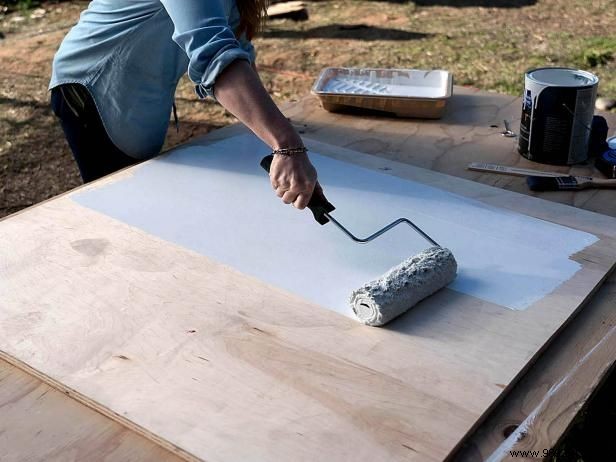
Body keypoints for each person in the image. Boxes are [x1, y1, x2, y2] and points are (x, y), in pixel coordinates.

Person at [49, 0, 323, 210]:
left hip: (140, 83)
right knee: (123, 202)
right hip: (95, 85)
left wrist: (270, 130)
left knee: (141, 192)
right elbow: (214, 53)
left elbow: (236, 46)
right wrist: (286, 145)